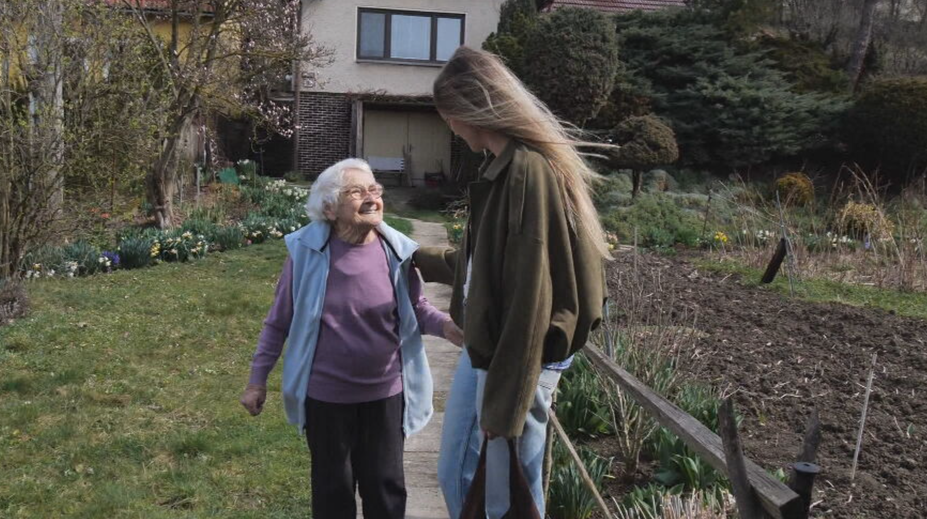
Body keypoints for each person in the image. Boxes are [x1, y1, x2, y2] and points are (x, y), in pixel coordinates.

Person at [414, 46, 610, 519]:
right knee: (502, 485)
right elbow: (489, 268)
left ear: (469, 109)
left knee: (491, 484)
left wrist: (503, 409)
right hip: (499, 352)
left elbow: (530, 298)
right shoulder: (511, 167)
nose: (450, 128)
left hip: (512, 358)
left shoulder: (524, 172)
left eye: (448, 116)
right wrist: (412, 257)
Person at [239, 158, 464, 519]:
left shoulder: (396, 252)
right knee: (333, 493)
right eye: (357, 192)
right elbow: (278, 322)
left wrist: (447, 327)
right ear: (330, 207)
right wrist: (256, 381)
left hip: (385, 396)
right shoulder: (307, 254)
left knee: (386, 491)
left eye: (374, 190)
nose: (371, 198)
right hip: (327, 399)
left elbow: (416, 308)